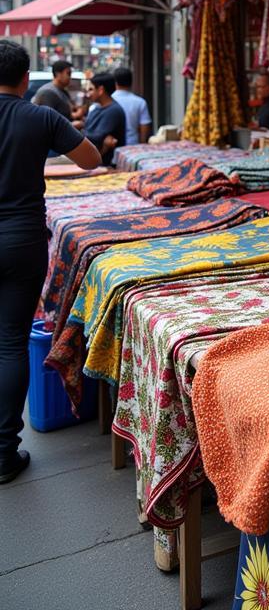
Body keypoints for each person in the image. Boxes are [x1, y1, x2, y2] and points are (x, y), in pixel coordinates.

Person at [0, 40, 101, 484]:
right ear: (26, 79)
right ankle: (4, 452)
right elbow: (90, 159)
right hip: (22, 239)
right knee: (10, 342)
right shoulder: (40, 116)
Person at [83, 72, 126, 166]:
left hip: (105, 165)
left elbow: (94, 138)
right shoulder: (96, 108)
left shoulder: (114, 111)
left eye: (91, 89)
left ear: (101, 90)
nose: (88, 94)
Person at [112, 67, 153, 145]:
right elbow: (144, 126)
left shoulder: (109, 101)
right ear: (131, 81)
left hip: (113, 144)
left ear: (115, 82)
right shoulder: (140, 102)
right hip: (133, 144)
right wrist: (142, 144)